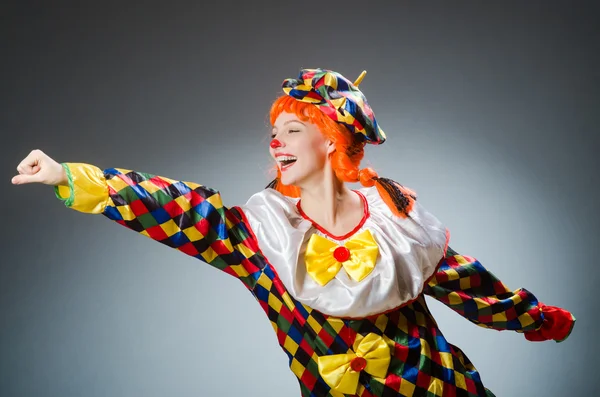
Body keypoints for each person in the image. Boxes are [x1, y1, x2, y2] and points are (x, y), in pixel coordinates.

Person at [11, 68, 575, 397]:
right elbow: (175, 210)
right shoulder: (261, 236)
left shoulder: (397, 220)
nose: (276, 142)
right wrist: (71, 177)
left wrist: (538, 318)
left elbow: (469, 286)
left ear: (330, 139)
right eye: (273, 131)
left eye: (292, 129)